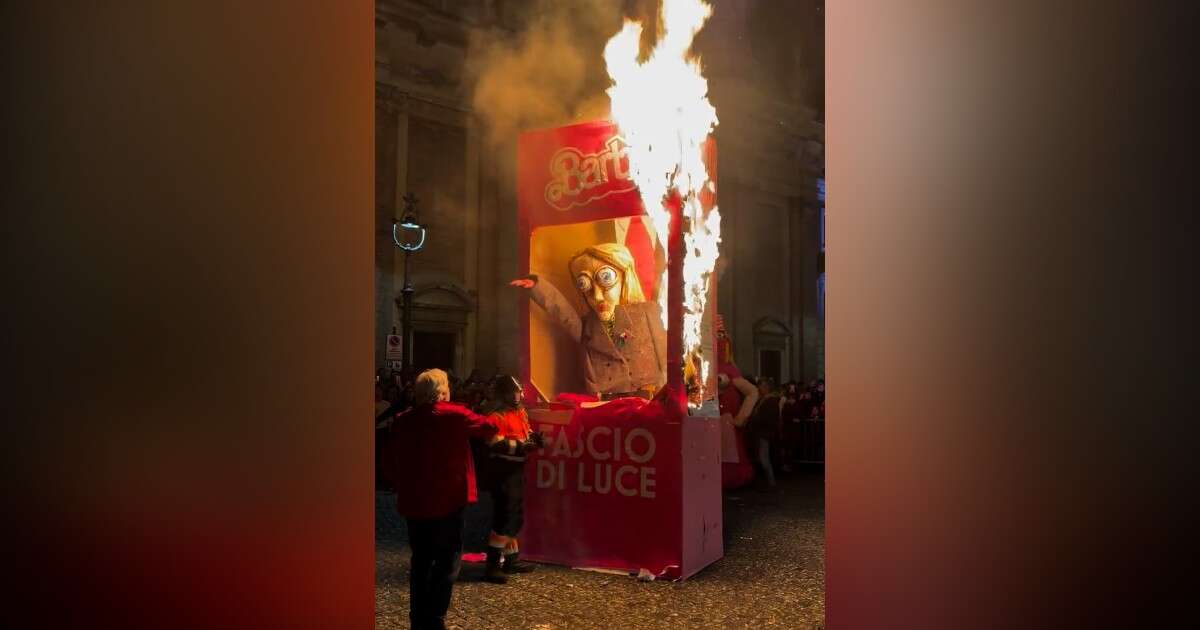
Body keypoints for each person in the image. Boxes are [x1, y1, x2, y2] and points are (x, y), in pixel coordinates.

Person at [378, 368, 503, 630]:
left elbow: (388, 461)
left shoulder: (403, 420)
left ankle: (417, 619)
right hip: (449, 500)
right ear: (443, 391)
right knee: (447, 561)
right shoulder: (454, 415)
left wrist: (402, 483)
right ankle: (434, 619)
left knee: (421, 560)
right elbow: (490, 426)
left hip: (415, 503)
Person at [511, 242, 666, 400]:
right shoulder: (589, 328)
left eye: (606, 278)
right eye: (584, 285)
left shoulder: (647, 313)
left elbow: (665, 356)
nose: (597, 296)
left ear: (625, 274)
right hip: (606, 403)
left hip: (649, 397)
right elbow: (564, 313)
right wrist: (538, 287)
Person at [479, 374, 544, 583]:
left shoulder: (520, 412)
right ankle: (492, 564)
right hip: (502, 472)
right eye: (514, 391)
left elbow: (525, 433)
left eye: (519, 391)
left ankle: (511, 560)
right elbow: (494, 443)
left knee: (514, 515)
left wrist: (534, 439)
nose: (518, 395)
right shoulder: (495, 416)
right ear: (503, 394)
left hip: (516, 470)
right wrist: (521, 447)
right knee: (505, 517)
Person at [745, 376, 782, 489]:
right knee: (761, 457)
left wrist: (755, 419)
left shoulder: (771, 401)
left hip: (764, 432)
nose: (759, 388)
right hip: (759, 432)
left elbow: (769, 418)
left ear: (766, 387)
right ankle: (766, 482)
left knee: (763, 458)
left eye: (761, 386)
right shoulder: (763, 400)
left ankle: (771, 483)